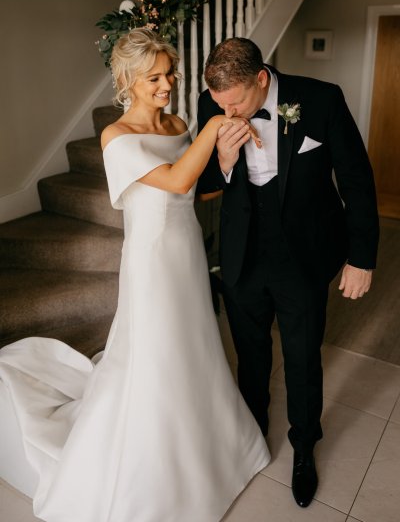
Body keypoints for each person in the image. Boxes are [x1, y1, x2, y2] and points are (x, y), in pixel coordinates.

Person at [0, 28, 270, 522]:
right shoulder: (115, 136)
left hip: (187, 250)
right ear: (127, 79)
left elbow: (200, 190)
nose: (166, 85)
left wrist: (226, 159)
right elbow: (175, 179)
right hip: (151, 261)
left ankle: (211, 444)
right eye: (154, 77)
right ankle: (159, 463)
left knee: (194, 342)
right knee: (158, 350)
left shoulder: (179, 125)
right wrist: (217, 129)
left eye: (169, 74)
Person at [196, 37, 379, 508]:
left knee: (301, 357)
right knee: (250, 353)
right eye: (219, 104)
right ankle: (253, 434)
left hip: (303, 251)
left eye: (235, 102)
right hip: (242, 251)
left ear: (261, 79)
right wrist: (224, 160)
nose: (227, 112)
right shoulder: (211, 101)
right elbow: (205, 181)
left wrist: (362, 257)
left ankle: (303, 449)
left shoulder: (320, 98)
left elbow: (356, 178)